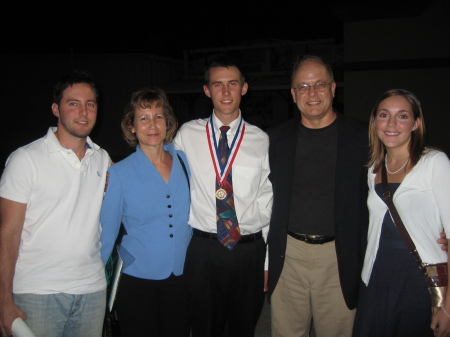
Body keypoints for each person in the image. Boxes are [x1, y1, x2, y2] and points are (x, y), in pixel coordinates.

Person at [0, 70, 111, 337]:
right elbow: (8, 232)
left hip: (92, 291)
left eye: (90, 104)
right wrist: (3, 301)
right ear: (55, 109)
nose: (83, 112)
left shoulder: (103, 159)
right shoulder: (25, 159)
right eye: (73, 103)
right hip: (37, 293)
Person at [267, 55, 369, 337]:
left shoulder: (363, 137)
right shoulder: (274, 139)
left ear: (333, 88)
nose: (311, 93)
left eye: (319, 84)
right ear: (293, 94)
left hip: (338, 256)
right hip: (288, 256)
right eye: (303, 86)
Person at [173, 55, 273, 337]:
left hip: (248, 250)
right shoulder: (187, 134)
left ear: (244, 88)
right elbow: (161, 167)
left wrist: (266, 263)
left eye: (233, 84)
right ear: (207, 91)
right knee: (204, 329)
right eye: (218, 85)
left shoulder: (262, 140)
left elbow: (268, 200)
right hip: (204, 249)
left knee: (244, 329)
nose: (226, 91)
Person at [352, 89, 450, 337]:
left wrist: (447, 308)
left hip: (417, 277)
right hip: (376, 273)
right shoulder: (374, 168)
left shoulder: (434, 163)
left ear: (416, 123)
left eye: (402, 116)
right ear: (375, 122)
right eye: (384, 115)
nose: (392, 124)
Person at [100, 88, 191, 337]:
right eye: (144, 118)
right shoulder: (119, 173)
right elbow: (107, 234)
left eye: (158, 116)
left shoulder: (184, 161)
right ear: (131, 126)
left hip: (181, 274)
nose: (152, 124)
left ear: (168, 122)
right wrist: (97, 284)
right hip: (137, 277)